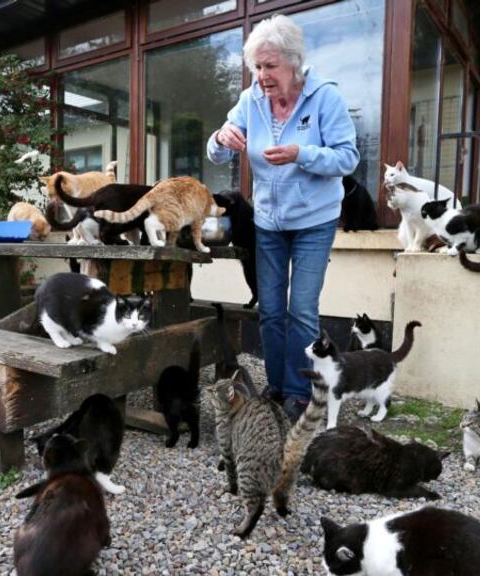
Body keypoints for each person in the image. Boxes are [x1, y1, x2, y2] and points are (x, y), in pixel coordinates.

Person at [206, 15, 359, 422]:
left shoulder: (325, 97)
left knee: (302, 309)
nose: (262, 76)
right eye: (256, 67)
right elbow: (216, 149)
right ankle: (276, 386)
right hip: (268, 222)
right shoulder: (250, 99)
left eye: (269, 66)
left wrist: (302, 154)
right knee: (271, 310)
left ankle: (300, 392)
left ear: (294, 62)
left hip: (314, 221)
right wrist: (222, 139)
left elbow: (347, 157)